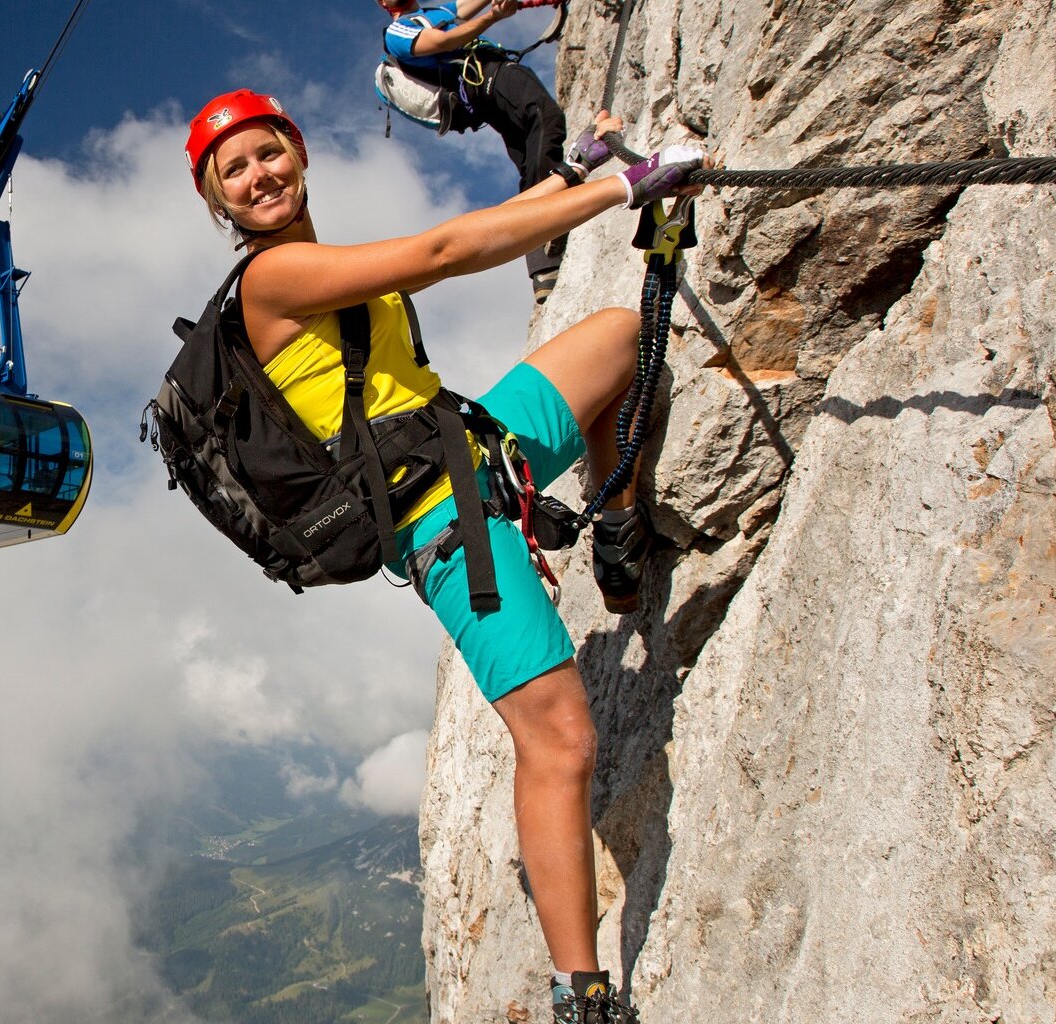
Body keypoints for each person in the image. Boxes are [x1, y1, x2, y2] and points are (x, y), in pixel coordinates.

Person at [181, 89, 702, 1023]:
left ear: (298, 155)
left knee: (623, 338)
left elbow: (479, 227)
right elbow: (444, 252)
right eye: (235, 171)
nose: (258, 177)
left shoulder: (323, 264)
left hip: (478, 453)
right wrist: (623, 191)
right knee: (560, 739)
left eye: (268, 154)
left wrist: (571, 174)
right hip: (442, 530)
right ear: (217, 202)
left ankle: (615, 528)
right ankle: (580, 993)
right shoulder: (271, 282)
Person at [378, 0, 574, 302]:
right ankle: (549, 231)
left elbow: (467, 5)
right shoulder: (398, 30)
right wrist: (494, 16)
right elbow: (443, 41)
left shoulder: (434, 13)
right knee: (545, 118)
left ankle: (541, 263)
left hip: (486, 89)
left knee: (529, 154)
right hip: (487, 77)